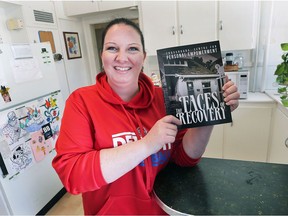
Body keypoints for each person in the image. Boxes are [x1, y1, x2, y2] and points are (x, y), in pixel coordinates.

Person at [52, 18, 240, 215]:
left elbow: (183, 158)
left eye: (132, 49)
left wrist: (211, 112)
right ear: (102, 56)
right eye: (112, 48)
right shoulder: (81, 101)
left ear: (143, 57)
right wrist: (147, 144)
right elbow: (73, 176)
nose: (122, 58)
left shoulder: (164, 98)